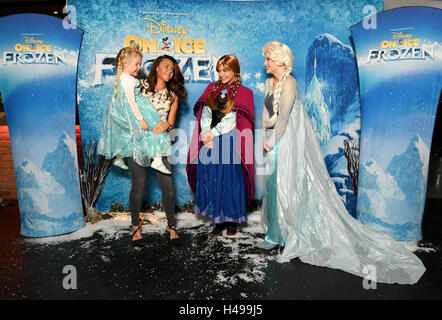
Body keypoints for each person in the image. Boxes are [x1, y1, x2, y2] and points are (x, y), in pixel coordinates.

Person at [257, 40, 426, 284]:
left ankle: (294, 233)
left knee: (289, 185)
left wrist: (272, 140)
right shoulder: (269, 82)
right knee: (274, 187)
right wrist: (265, 137)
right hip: (274, 141)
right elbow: (268, 116)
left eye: (269, 59)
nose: (266, 63)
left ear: (281, 61)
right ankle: (275, 234)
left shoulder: (290, 83)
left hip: (288, 142)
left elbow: (282, 118)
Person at [97, 44, 173, 242]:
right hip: (138, 117)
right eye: (136, 64)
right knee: (147, 132)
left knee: (154, 133)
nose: (138, 67)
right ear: (124, 64)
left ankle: (129, 156)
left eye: (140, 63)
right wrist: (140, 118)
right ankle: (134, 226)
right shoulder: (128, 81)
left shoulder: (131, 80)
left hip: (140, 119)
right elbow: (130, 103)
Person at [186, 54, 255, 237]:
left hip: (230, 140)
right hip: (210, 141)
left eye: (226, 70)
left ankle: (232, 220)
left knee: (231, 180)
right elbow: (205, 113)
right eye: (219, 71)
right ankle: (218, 220)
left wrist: (214, 133)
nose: (222, 74)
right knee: (214, 178)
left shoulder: (245, 93)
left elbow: (233, 120)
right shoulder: (211, 88)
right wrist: (206, 134)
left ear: (235, 71)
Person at [138, 55, 187, 241]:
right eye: (166, 67)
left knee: (168, 188)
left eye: (172, 69)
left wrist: (166, 125)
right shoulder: (141, 87)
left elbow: (171, 121)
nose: (169, 71)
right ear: (156, 68)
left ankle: (171, 226)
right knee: (138, 186)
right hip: (141, 142)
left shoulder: (172, 95)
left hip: (160, 144)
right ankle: (135, 227)